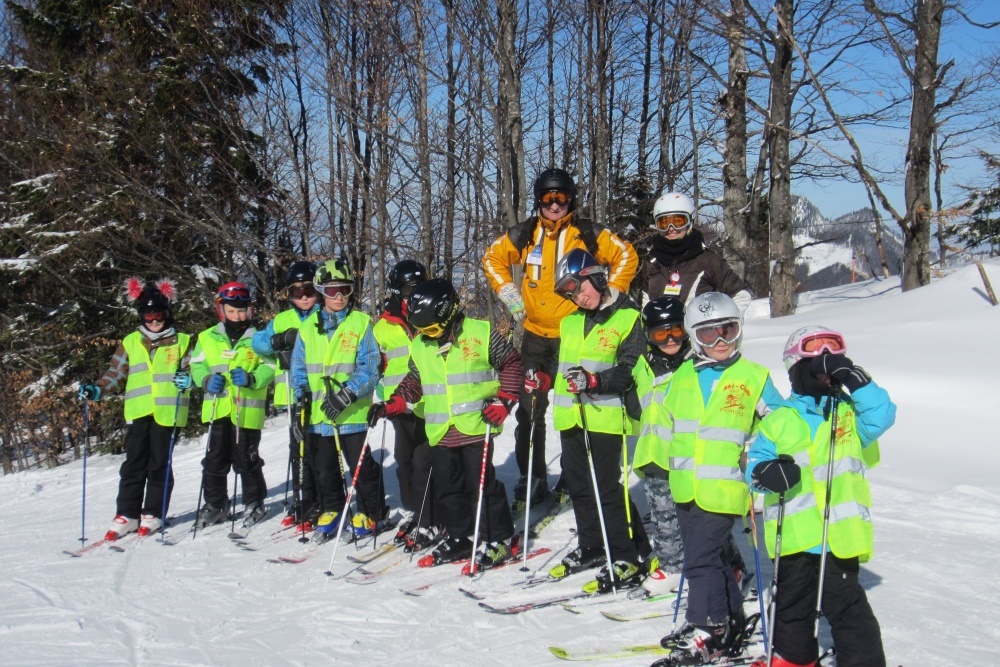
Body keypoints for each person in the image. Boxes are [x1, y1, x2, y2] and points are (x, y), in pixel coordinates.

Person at [483, 168, 638, 505]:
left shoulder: (588, 233)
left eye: (561, 198)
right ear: (538, 200)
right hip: (535, 336)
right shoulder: (526, 233)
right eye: (547, 198)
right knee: (529, 410)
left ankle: (572, 477)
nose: (554, 205)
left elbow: (626, 256)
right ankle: (532, 477)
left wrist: (608, 294)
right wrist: (508, 292)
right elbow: (492, 256)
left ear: (571, 200)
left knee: (575, 406)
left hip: (575, 334)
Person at [745, 326, 895, 667]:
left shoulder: (850, 415)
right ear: (797, 369)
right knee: (792, 603)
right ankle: (793, 658)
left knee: (846, 607)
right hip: (795, 536)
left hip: (838, 535)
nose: (828, 375)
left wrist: (856, 379)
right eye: (818, 367)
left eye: (834, 366)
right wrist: (765, 473)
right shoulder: (779, 420)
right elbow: (754, 464)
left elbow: (882, 415)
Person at [654, 292, 785, 666]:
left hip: (725, 486)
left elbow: (781, 424)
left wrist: (759, 451)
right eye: (709, 334)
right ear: (695, 337)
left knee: (700, 560)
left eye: (728, 330)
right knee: (713, 559)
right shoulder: (682, 376)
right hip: (685, 487)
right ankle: (729, 619)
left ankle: (708, 628)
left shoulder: (752, 377)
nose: (721, 341)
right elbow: (668, 425)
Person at [369, 278, 522, 568]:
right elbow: (415, 380)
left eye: (431, 329)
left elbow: (512, 363)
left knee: (481, 486)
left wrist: (505, 400)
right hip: (441, 430)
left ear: (448, 312)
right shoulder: (421, 344)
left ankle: (499, 538)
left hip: (476, 425)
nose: (427, 335)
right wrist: (394, 402)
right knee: (449, 489)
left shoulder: (481, 333)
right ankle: (461, 536)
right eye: (422, 330)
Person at [546, 249, 653, 593]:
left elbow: (630, 369)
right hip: (571, 415)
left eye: (580, 289)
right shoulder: (570, 322)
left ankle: (628, 553)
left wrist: (594, 381)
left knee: (606, 486)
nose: (579, 298)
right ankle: (592, 544)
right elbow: (561, 366)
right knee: (578, 484)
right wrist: (542, 379)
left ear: (596, 277)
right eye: (571, 295)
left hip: (605, 416)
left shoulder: (629, 318)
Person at [631, 297, 751, 598]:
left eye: (676, 331)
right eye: (660, 334)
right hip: (654, 453)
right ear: (648, 336)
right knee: (663, 517)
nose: (670, 340)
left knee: (705, 522)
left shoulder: (697, 365)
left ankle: (731, 568)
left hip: (691, 457)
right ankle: (672, 566)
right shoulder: (642, 366)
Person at [80, 278, 192, 540]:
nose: (154, 321)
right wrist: (98, 388)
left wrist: (188, 379)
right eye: (149, 315)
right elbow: (115, 373)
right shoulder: (131, 341)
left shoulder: (182, 341)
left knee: (159, 463)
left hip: (168, 412)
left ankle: (153, 512)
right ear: (141, 316)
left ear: (167, 313)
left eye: (159, 314)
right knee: (133, 463)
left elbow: (193, 370)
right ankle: (127, 514)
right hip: (138, 410)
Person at [289, 259, 387, 540]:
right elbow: (298, 370)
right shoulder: (308, 328)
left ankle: (372, 511)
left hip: (351, 412)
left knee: (360, 466)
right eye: (332, 290)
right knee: (323, 467)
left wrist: (347, 394)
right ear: (321, 292)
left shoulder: (361, 323)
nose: (339, 296)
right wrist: (300, 405)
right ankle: (332, 507)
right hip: (319, 414)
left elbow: (370, 367)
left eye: (345, 289)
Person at [189, 282, 274, 529]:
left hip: (246, 410)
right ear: (222, 311)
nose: (237, 316)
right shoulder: (207, 337)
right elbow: (196, 365)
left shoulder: (258, 338)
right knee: (215, 458)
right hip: (218, 408)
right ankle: (216, 503)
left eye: (242, 310)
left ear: (250, 310)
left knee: (246, 458)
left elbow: (270, 367)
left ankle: (254, 501)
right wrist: (206, 380)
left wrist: (252, 378)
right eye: (232, 311)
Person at [371, 259, 441, 551]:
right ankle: (416, 511)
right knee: (405, 461)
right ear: (397, 290)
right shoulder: (383, 326)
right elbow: (376, 361)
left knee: (427, 461)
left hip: (432, 399)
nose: (414, 293)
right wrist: (380, 384)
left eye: (418, 286)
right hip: (400, 403)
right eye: (408, 288)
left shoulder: (431, 313)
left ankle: (433, 514)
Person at [251, 260, 319, 527]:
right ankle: (303, 498)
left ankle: (321, 498)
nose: (304, 297)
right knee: (298, 450)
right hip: (292, 395)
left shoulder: (325, 315)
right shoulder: (282, 320)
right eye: (296, 291)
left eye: (309, 290)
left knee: (318, 449)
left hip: (317, 393)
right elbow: (257, 343)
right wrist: (278, 340)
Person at [641, 191, 752, 315]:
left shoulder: (708, 260)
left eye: (678, 222)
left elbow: (742, 295)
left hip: (696, 327)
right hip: (660, 327)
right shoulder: (651, 261)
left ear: (690, 221)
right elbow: (646, 298)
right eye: (663, 223)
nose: (671, 228)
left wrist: (724, 322)